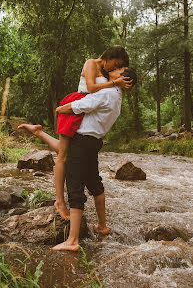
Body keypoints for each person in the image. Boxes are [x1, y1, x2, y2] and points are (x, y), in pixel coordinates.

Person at [19, 46, 132, 220]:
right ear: (109, 57)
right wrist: (115, 83)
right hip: (75, 106)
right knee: (63, 156)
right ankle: (60, 201)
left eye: (119, 68)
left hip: (86, 110)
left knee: (66, 151)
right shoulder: (91, 63)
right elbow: (92, 87)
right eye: (116, 65)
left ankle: (38, 132)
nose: (114, 69)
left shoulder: (107, 73)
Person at [51, 66, 137, 251]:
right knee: (94, 183)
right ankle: (102, 225)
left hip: (82, 142)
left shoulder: (108, 93)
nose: (114, 69)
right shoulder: (117, 96)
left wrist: (60, 109)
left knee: (74, 186)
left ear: (124, 78)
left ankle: (72, 241)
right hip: (94, 141)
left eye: (120, 69)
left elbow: (82, 105)